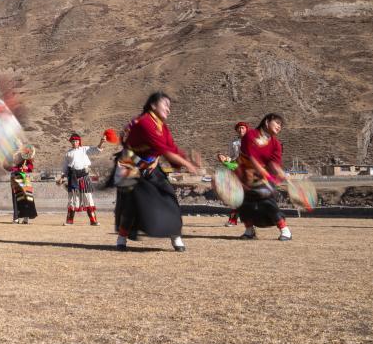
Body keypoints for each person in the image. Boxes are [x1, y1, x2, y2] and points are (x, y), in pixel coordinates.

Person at [114, 92, 199, 252]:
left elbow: (171, 147)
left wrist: (186, 159)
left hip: (151, 165)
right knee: (131, 205)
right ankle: (122, 237)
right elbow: (163, 149)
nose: (169, 110)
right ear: (153, 105)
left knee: (169, 196)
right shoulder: (145, 122)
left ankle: (175, 235)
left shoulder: (162, 126)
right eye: (165, 105)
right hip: (130, 165)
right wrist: (187, 163)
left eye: (169, 106)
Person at [236, 114, 292, 241]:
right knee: (243, 204)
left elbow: (274, 164)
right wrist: (260, 170)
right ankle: (249, 231)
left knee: (267, 201)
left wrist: (279, 172)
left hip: (264, 179)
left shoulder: (276, 144)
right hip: (246, 176)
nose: (279, 126)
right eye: (277, 122)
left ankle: (285, 230)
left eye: (281, 125)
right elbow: (250, 156)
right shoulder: (250, 135)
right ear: (267, 122)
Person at [59, 133, 101, 225]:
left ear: (79, 142)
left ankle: (93, 221)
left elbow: (96, 150)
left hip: (84, 177)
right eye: (73, 141)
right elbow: (65, 168)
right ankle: (69, 221)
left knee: (88, 198)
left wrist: (101, 142)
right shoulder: (68, 153)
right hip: (72, 178)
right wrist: (62, 177)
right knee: (73, 200)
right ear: (71, 142)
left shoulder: (84, 149)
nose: (74, 143)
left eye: (76, 141)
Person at [219, 121, 248, 226]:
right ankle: (233, 219)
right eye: (239, 128)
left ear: (246, 129)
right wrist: (226, 159)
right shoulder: (234, 143)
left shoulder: (252, 140)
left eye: (243, 128)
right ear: (236, 130)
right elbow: (231, 156)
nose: (241, 130)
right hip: (237, 167)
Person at [8, 150, 37, 224]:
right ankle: (16, 218)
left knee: (26, 198)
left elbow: (30, 168)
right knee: (16, 198)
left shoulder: (28, 162)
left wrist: (26, 168)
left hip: (24, 179)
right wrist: (16, 168)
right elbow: (9, 167)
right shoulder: (14, 157)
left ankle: (26, 218)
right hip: (15, 178)